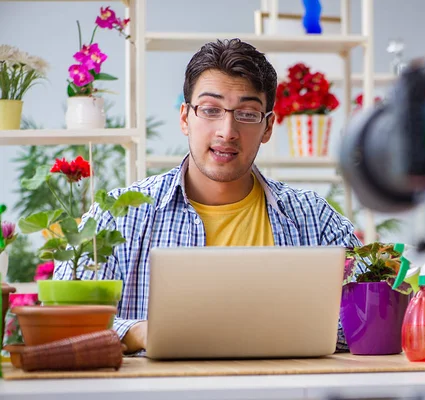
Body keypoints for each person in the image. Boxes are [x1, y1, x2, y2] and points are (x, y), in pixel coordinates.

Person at [53, 38, 362, 354]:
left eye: (247, 113)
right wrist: (140, 333)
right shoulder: (118, 217)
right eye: (211, 110)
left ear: (268, 126)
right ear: (185, 118)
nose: (227, 131)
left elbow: (370, 319)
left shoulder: (315, 219)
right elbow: (64, 322)